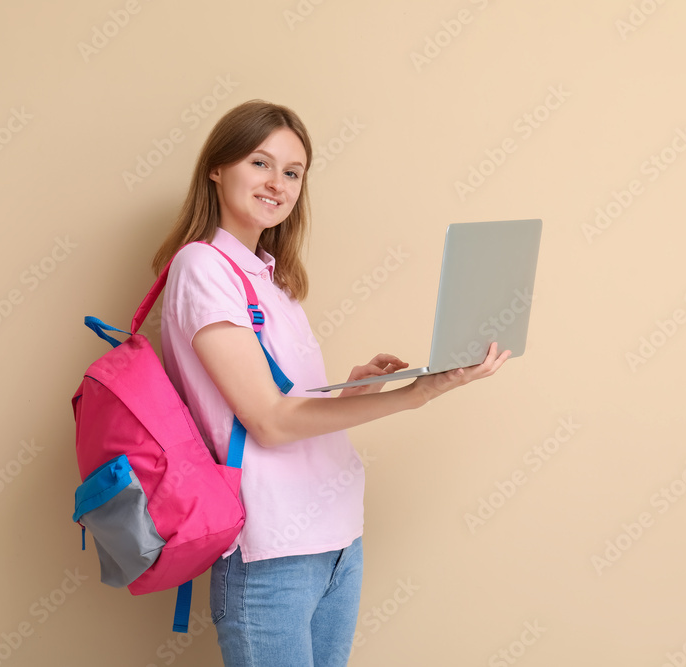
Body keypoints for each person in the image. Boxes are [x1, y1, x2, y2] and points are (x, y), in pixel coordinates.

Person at [152, 100, 509, 667]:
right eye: (260, 163)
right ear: (217, 168)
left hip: (338, 538)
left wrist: (352, 391)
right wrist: (414, 396)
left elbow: (288, 409)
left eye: (293, 173)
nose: (278, 184)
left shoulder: (273, 279)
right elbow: (269, 422)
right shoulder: (201, 267)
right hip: (273, 551)